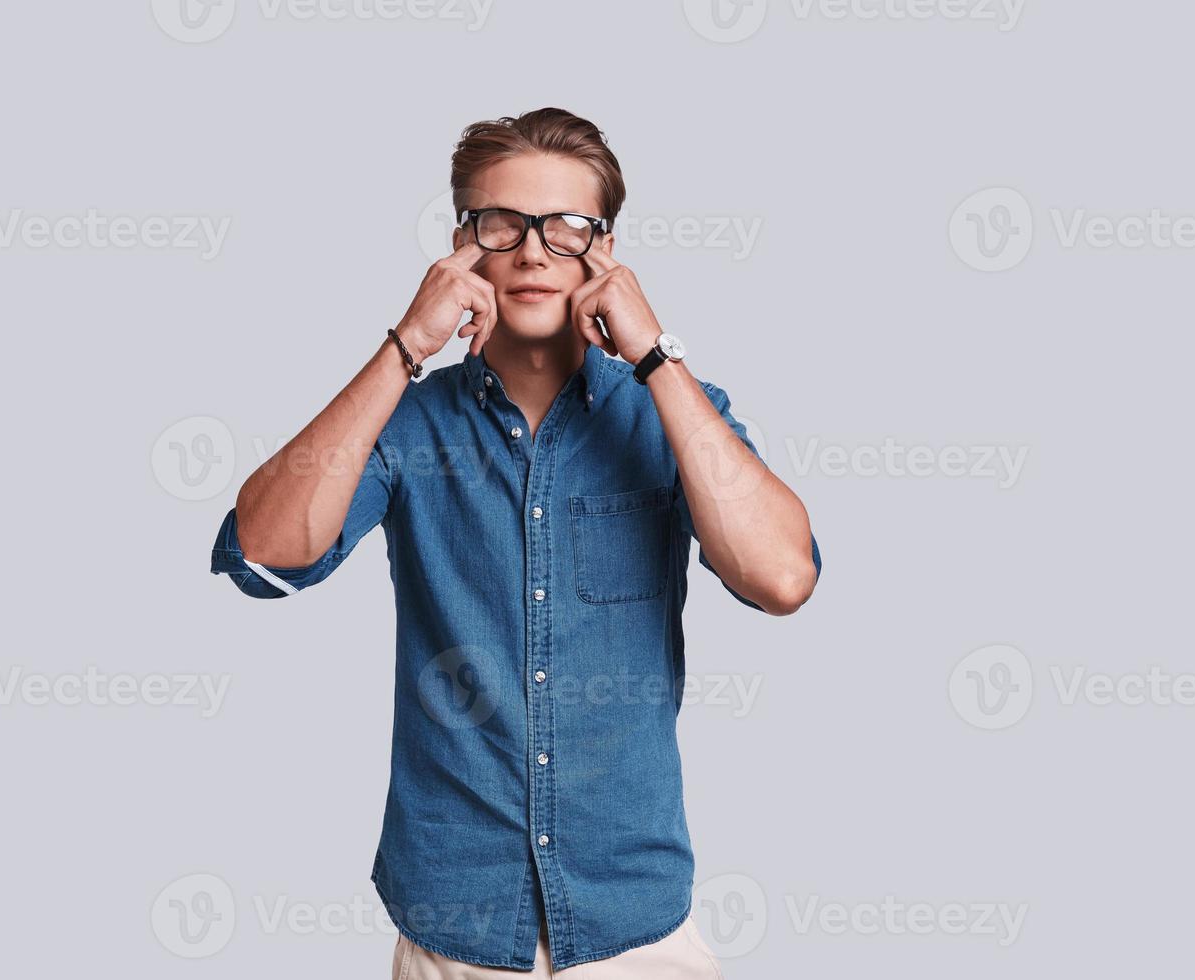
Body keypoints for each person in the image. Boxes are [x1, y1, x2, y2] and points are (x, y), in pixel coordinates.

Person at [210, 107, 821, 977]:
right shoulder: (405, 423)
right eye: (503, 223)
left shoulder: (673, 413)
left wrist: (655, 356)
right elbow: (267, 555)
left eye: (569, 227)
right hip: (456, 925)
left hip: (633, 927)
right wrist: (403, 347)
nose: (534, 251)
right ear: (464, 243)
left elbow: (781, 577)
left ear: (604, 250)